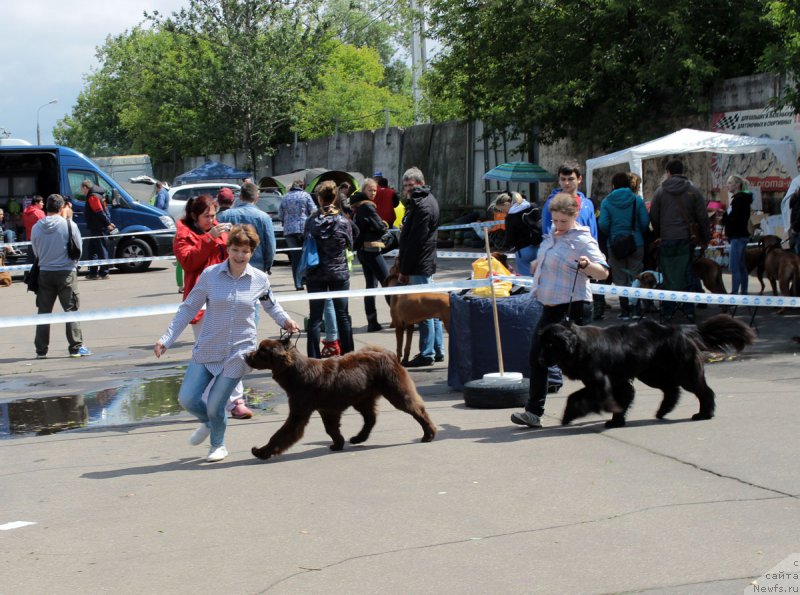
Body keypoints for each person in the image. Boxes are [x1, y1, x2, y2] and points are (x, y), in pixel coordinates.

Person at [155, 224, 300, 462]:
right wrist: (166, 338)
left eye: (245, 251)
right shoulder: (210, 275)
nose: (240, 256)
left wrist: (286, 321)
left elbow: (271, 305)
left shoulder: (259, 279)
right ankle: (208, 422)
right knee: (187, 398)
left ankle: (217, 445)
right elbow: (189, 307)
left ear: (252, 252)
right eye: (235, 250)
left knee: (216, 404)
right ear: (227, 248)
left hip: (240, 351)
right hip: (209, 345)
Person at [511, 193, 609, 428]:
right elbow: (546, 261)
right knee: (537, 358)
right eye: (555, 220)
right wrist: (537, 265)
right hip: (550, 309)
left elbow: (604, 272)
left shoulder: (582, 240)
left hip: (574, 309)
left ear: (575, 216)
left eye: (563, 221)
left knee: (583, 363)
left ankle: (615, 388)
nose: (558, 225)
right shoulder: (550, 237)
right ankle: (534, 412)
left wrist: (588, 266)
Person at [174, 194, 252, 420]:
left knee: (234, 350)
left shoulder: (219, 228)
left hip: (227, 297)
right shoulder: (183, 234)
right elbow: (188, 262)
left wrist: (234, 242)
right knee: (208, 354)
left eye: (214, 215)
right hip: (201, 302)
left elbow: (230, 258)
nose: (212, 219)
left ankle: (237, 400)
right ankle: (210, 402)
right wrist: (209, 239)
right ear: (194, 216)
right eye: (207, 216)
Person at [30, 194, 92, 359]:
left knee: (43, 312)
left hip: (45, 273)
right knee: (71, 310)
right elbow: (78, 249)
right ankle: (75, 347)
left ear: (46, 208)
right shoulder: (69, 225)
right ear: (61, 207)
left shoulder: (37, 227)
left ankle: (41, 350)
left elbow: (35, 251)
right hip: (66, 273)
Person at [649, 159, 710, 322]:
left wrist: (660, 233)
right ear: (683, 171)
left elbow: (654, 216)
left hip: (667, 238)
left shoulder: (660, 192)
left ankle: (668, 310)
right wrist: (705, 238)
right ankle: (688, 309)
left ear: (668, 172)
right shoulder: (693, 191)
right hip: (687, 238)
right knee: (686, 273)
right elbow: (703, 217)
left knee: (667, 275)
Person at [397, 166, 444, 367]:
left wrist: (404, 269)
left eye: (411, 185)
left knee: (423, 310)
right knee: (431, 310)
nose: (408, 188)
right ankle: (437, 349)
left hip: (419, 263)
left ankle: (427, 353)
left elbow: (415, 241)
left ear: (421, 183)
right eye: (406, 185)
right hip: (423, 262)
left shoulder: (422, 205)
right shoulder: (422, 202)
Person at [304, 181, 357, 358]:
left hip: (316, 274)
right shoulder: (343, 221)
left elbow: (305, 241)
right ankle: (349, 356)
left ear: (319, 198)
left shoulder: (311, 221)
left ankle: (313, 357)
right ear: (334, 197)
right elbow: (350, 243)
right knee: (343, 315)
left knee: (315, 318)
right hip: (339, 273)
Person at [598, 172, 650, 319]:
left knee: (620, 277)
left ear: (613, 185)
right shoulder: (637, 200)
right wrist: (637, 231)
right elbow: (645, 223)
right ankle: (636, 309)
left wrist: (614, 233)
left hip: (615, 244)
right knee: (636, 275)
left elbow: (603, 224)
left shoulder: (606, 202)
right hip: (636, 242)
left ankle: (624, 310)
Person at [352, 179, 390, 332]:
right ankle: (401, 318)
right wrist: (385, 225)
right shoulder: (367, 206)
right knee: (388, 284)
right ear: (363, 191)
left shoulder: (357, 206)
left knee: (371, 287)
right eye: (370, 190)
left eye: (375, 190)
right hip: (372, 251)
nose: (373, 193)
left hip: (362, 251)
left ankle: (372, 322)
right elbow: (380, 227)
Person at [217, 181, 276, 273]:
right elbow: (271, 246)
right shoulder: (264, 217)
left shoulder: (224, 216)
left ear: (240, 197)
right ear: (257, 198)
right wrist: (267, 265)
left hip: (231, 266)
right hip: (257, 266)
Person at [279, 179, 316, 290]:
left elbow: (280, 214)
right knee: (306, 254)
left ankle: (298, 283)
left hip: (289, 231)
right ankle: (306, 278)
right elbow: (313, 211)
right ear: (302, 186)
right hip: (304, 229)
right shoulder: (305, 195)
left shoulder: (285, 197)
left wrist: (285, 222)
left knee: (295, 258)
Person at [494, 191, 542, 275]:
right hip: (540, 246)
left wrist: (508, 246)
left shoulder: (511, 216)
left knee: (526, 278)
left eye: (502, 209)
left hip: (523, 250)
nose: (503, 212)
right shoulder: (533, 207)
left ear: (506, 204)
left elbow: (510, 238)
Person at [722, 174, 753, 295]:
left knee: (734, 267)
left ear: (737, 184)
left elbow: (735, 218)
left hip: (738, 236)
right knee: (741, 266)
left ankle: (735, 293)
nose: (727, 185)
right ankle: (743, 291)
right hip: (741, 235)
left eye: (730, 183)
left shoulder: (739, 200)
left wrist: (724, 219)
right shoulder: (741, 199)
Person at [80, 179, 117, 280]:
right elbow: (105, 210)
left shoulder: (92, 197)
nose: (81, 192)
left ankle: (104, 273)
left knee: (101, 250)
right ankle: (93, 273)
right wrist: (108, 222)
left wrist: (108, 223)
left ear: (85, 188)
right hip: (95, 227)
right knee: (92, 250)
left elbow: (99, 212)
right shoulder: (98, 195)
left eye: (81, 189)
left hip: (98, 227)